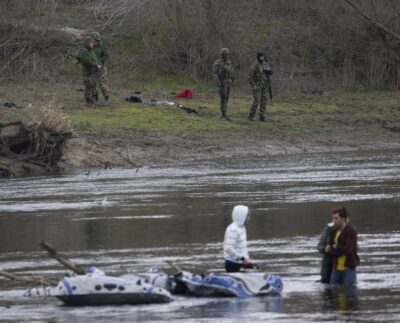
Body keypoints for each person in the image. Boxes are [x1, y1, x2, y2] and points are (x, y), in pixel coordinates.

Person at [325, 207, 360, 285]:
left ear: (343, 219)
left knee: (349, 292)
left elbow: (348, 250)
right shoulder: (333, 231)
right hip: (336, 268)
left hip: (348, 268)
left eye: (336, 218)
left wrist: (336, 247)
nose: (333, 221)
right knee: (334, 291)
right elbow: (329, 249)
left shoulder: (351, 231)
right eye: (333, 218)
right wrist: (330, 249)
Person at [223, 205, 257, 272]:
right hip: (232, 263)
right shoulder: (233, 230)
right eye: (247, 216)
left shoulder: (242, 227)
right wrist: (242, 258)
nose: (248, 218)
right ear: (242, 216)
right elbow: (228, 248)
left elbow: (242, 247)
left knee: (255, 268)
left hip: (240, 261)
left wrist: (246, 259)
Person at [247, 50, 272, 121]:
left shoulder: (265, 64)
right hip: (257, 85)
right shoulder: (255, 65)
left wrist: (270, 72)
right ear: (258, 57)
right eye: (260, 57)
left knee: (264, 101)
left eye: (262, 57)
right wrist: (253, 85)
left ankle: (262, 116)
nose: (262, 58)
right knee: (256, 101)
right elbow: (250, 76)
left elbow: (269, 72)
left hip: (265, 85)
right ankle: (250, 116)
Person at [212, 48, 235, 121]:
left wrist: (233, 80)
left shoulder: (229, 62)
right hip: (222, 82)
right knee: (223, 98)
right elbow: (214, 73)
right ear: (222, 55)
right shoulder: (217, 63)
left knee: (227, 98)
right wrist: (218, 82)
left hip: (229, 82)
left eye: (228, 54)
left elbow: (232, 72)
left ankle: (225, 113)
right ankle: (223, 115)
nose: (227, 55)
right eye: (226, 54)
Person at [78, 37, 101, 106]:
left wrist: (98, 65)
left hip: (93, 73)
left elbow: (95, 60)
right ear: (88, 43)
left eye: (92, 43)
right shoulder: (84, 51)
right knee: (89, 86)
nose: (92, 44)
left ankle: (94, 100)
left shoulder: (91, 51)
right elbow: (86, 61)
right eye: (91, 43)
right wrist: (96, 65)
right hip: (88, 73)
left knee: (94, 86)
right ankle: (88, 101)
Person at [91, 31, 110, 105]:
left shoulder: (102, 46)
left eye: (95, 40)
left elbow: (106, 56)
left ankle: (106, 98)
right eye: (93, 40)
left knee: (103, 85)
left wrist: (99, 61)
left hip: (101, 69)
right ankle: (95, 99)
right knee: (92, 84)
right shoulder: (89, 46)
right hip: (92, 68)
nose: (94, 41)